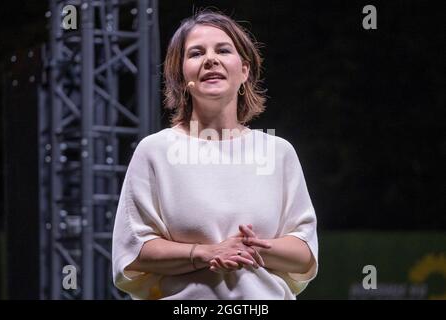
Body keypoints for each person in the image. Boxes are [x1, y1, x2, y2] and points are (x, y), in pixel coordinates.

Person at [112, 9, 318, 300]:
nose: (211, 59)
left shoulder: (278, 151)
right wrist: (206, 253)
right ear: (182, 76)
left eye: (223, 50)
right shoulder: (155, 151)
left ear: (244, 70)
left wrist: (253, 248)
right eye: (196, 53)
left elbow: (305, 253)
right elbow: (132, 254)